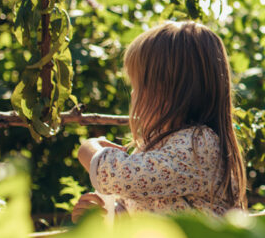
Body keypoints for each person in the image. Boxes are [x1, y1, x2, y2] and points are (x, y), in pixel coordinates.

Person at [71, 21, 247, 222]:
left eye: (137, 85)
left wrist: (89, 149)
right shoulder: (155, 146)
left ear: (166, 91)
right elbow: (140, 209)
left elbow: (122, 176)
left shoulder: (199, 145)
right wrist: (104, 215)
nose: (133, 93)